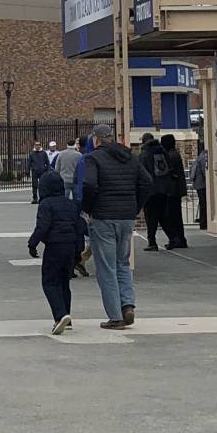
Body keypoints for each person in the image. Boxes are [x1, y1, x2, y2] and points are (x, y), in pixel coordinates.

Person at [80, 130, 143, 329]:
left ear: (96, 139)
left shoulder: (93, 158)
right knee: (122, 262)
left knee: (106, 267)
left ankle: (115, 316)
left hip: (103, 217)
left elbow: (89, 184)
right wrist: (135, 206)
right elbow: (147, 181)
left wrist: (88, 208)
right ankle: (128, 304)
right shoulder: (130, 157)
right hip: (126, 217)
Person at [27, 167, 84, 336]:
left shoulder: (46, 204)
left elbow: (43, 226)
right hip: (70, 245)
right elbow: (79, 227)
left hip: (54, 245)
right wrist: (78, 251)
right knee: (64, 282)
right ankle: (68, 317)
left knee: (50, 282)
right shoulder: (71, 204)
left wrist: (32, 243)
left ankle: (60, 315)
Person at [156, 133, 191, 250]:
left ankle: (176, 239)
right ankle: (180, 239)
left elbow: (167, 172)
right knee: (176, 216)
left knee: (171, 217)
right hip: (175, 190)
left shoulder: (170, 156)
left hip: (171, 191)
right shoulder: (174, 154)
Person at [140, 136, 173, 251]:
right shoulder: (163, 152)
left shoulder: (144, 154)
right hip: (164, 189)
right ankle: (173, 238)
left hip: (151, 191)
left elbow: (142, 173)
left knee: (150, 218)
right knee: (163, 215)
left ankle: (152, 242)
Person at [189, 143, 209, 230]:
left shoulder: (200, 156)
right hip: (202, 184)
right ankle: (203, 223)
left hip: (199, 184)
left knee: (203, 203)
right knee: (204, 204)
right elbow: (206, 172)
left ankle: (203, 222)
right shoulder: (203, 157)